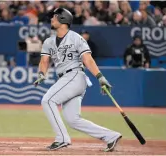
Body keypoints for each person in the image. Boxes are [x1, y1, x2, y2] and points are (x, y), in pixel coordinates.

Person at [33, 8, 122, 152]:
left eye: (54, 17)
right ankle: (110, 136)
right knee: (73, 120)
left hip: (75, 75)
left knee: (47, 100)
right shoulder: (49, 42)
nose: (51, 19)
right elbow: (44, 61)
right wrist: (42, 74)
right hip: (66, 79)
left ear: (63, 19)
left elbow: (87, 59)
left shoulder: (76, 37)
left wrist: (100, 77)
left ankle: (61, 138)